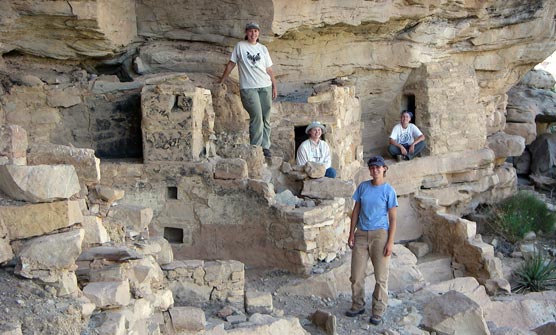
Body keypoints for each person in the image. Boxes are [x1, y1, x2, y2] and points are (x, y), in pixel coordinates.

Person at [346, 155, 397, 326]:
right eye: (372, 167)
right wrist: (351, 233)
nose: (375, 170)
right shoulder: (363, 187)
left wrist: (390, 242)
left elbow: (393, 218)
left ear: (384, 169)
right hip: (361, 233)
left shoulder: (388, 190)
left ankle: (378, 310)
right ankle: (358, 304)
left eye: (378, 167)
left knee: (381, 276)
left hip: (379, 234)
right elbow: (356, 211)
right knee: (356, 274)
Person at [219, 22, 277, 158]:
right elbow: (231, 64)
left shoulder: (263, 48)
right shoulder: (240, 46)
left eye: (256, 31)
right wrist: (221, 80)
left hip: (265, 85)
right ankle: (256, 148)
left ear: (259, 33)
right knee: (257, 116)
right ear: (246, 32)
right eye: (250, 31)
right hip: (249, 88)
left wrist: (274, 86)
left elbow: (269, 69)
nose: (253, 34)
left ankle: (265, 147)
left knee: (266, 116)